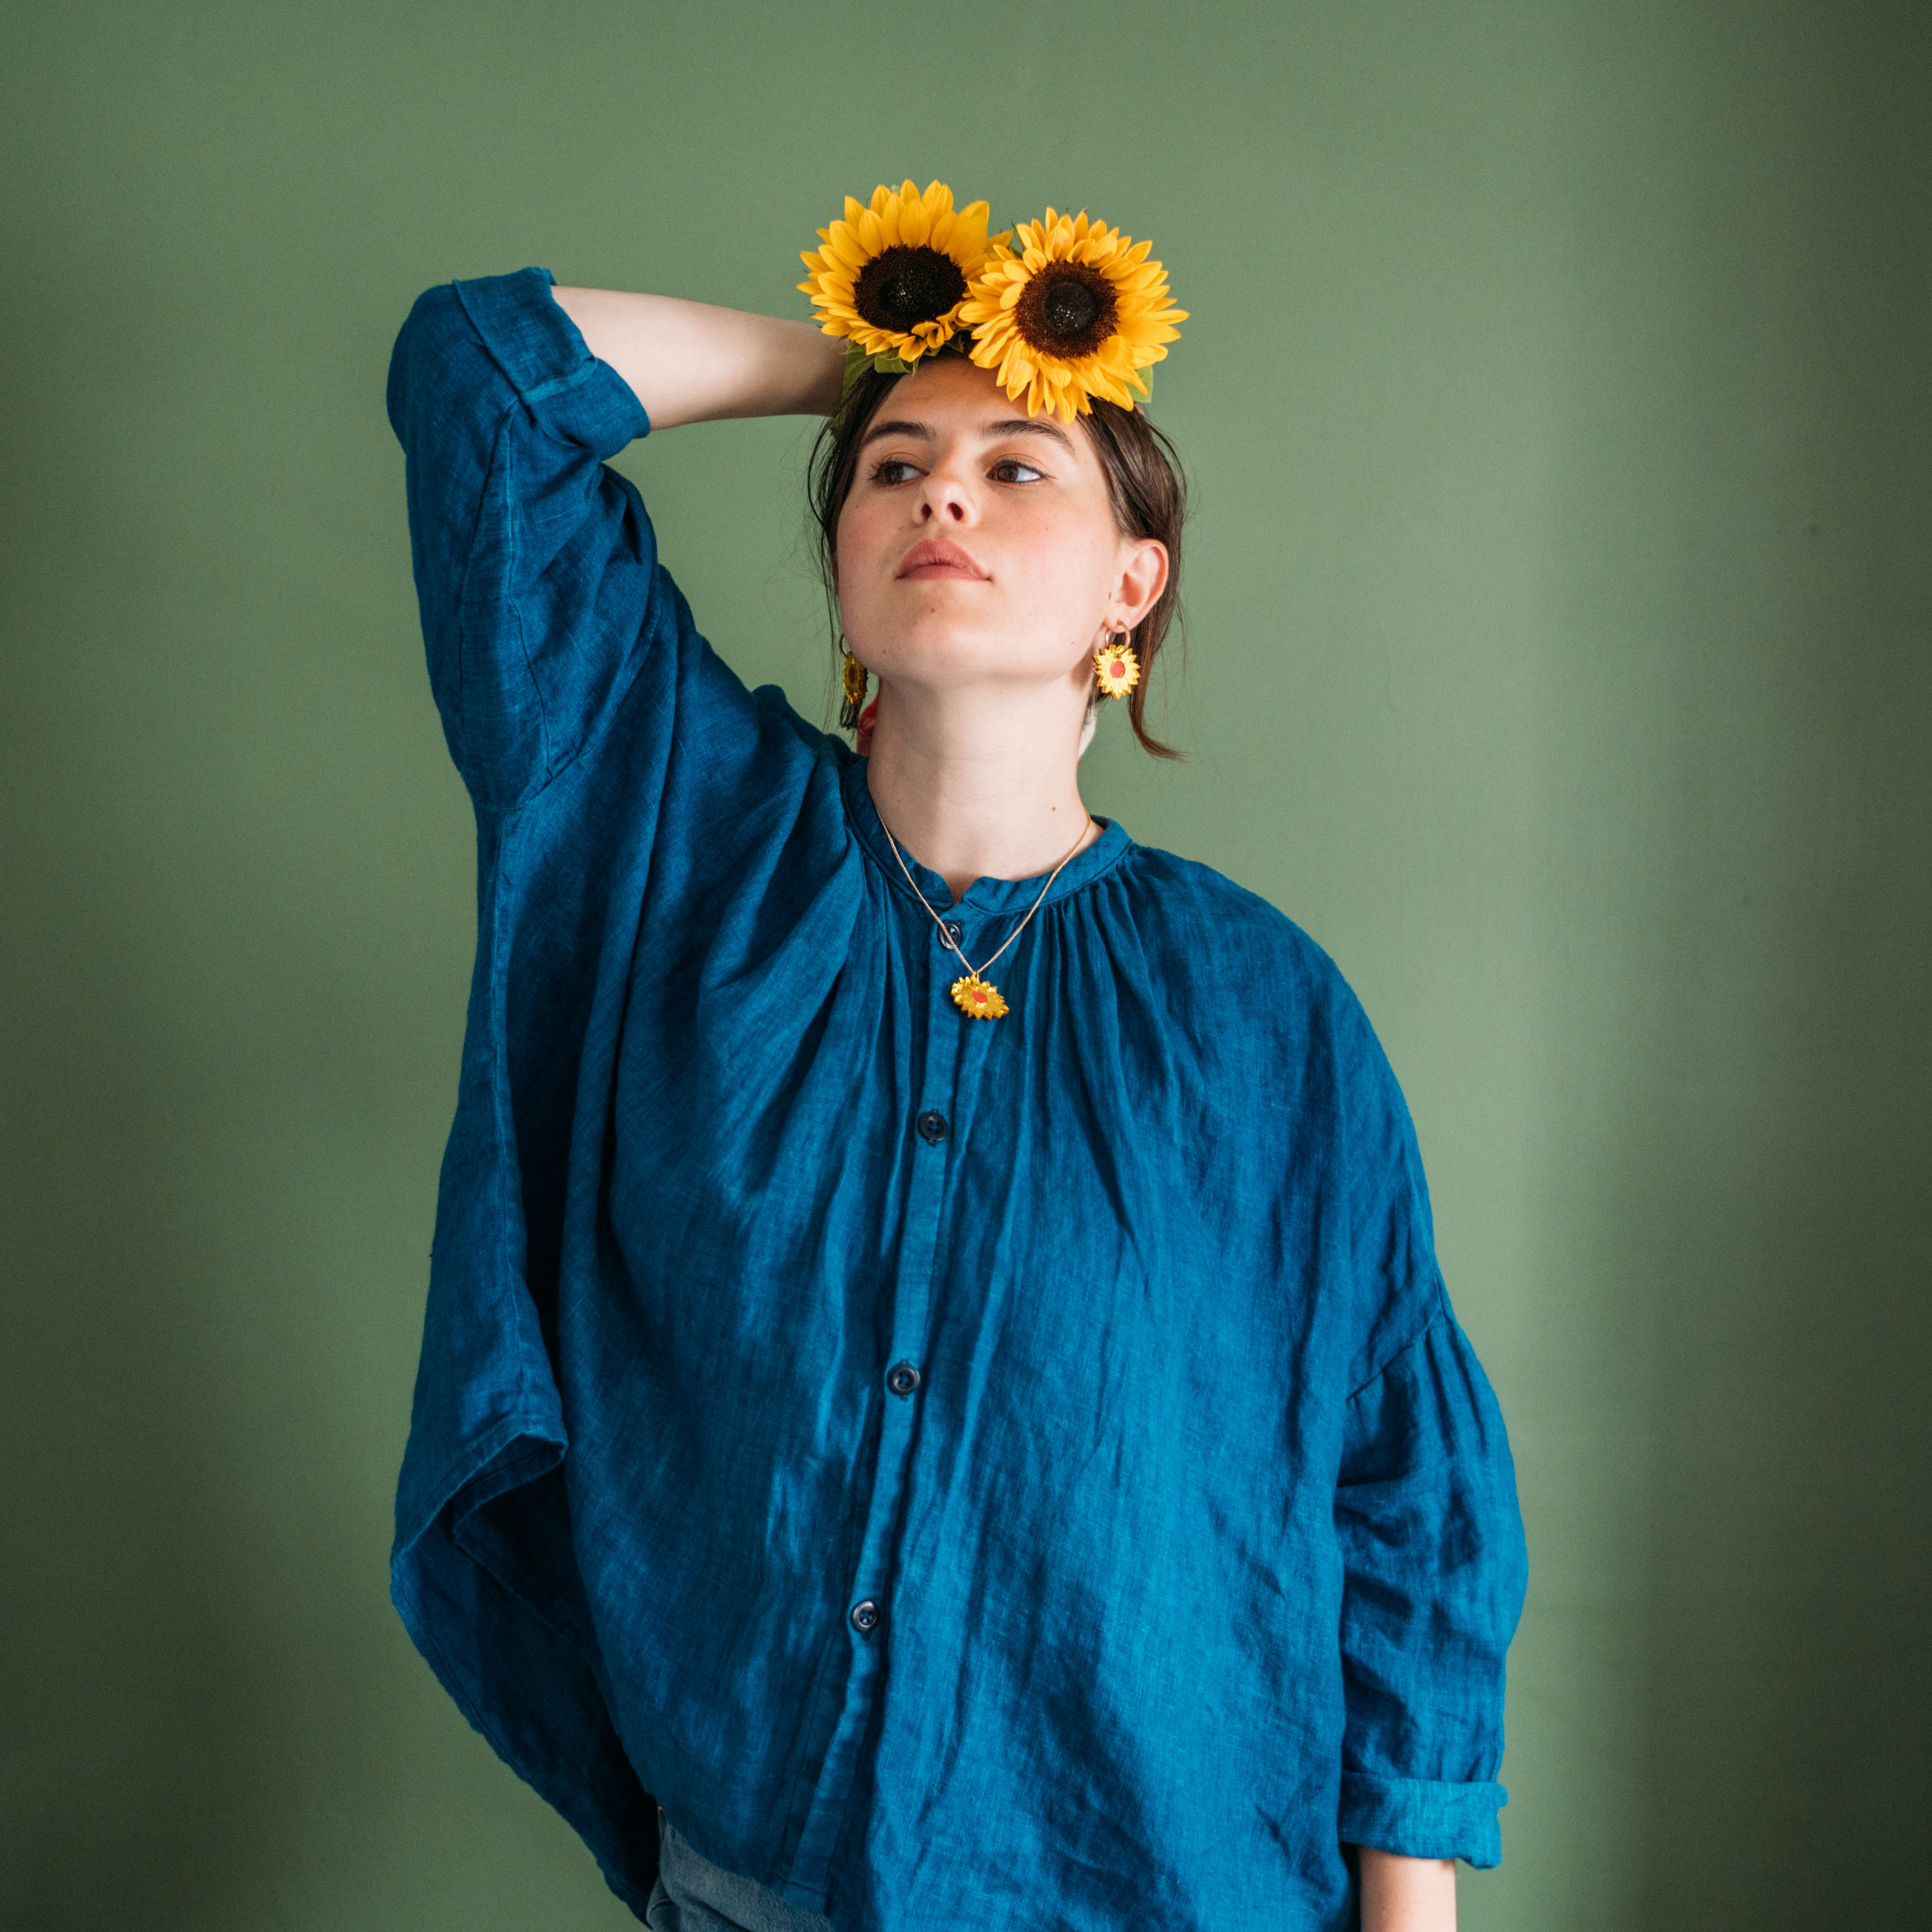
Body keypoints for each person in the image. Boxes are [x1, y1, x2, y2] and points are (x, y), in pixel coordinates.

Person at [383, 179, 1528, 1932]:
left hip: (1176, 1884)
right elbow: (480, 374)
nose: (941, 490)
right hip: (753, 1880)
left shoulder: (1265, 1011)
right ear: (843, 558)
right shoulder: (677, 837)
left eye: (1019, 466)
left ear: (1129, 586)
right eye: (891, 465)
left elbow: (1406, 1489)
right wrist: (894, 353)